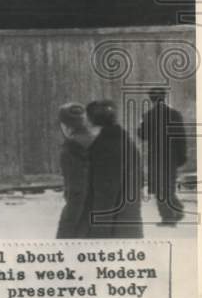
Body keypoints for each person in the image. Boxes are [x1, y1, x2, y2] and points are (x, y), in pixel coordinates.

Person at [84, 99, 143, 238]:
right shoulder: (127, 143)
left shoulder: (103, 148)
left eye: (87, 119)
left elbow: (104, 195)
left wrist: (96, 234)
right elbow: (139, 181)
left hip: (110, 233)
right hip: (129, 226)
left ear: (93, 122)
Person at [138, 88, 187, 225]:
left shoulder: (148, 115)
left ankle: (168, 217)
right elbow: (181, 136)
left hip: (156, 157)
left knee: (159, 188)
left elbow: (142, 135)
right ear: (164, 98)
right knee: (168, 186)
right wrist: (182, 156)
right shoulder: (175, 114)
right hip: (172, 156)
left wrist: (140, 125)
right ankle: (176, 210)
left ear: (151, 99)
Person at [55, 102, 98, 238]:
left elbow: (77, 194)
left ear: (65, 126)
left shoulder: (71, 149)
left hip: (83, 220)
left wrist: (64, 233)